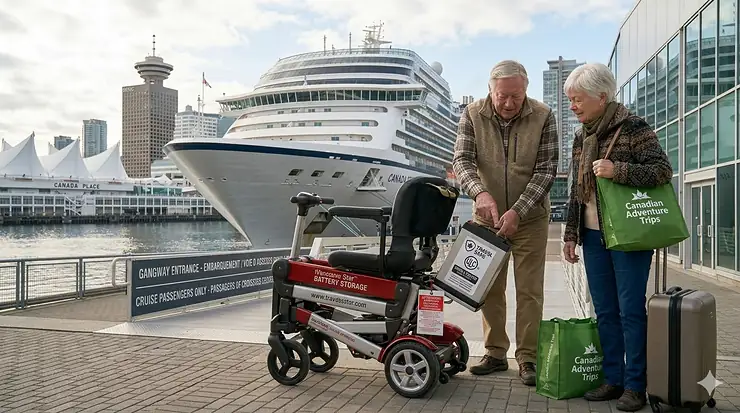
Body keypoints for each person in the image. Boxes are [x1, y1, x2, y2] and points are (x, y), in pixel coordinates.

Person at [561, 63, 673, 412]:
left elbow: (662, 171)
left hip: (629, 236)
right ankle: (613, 379)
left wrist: (617, 170)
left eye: (577, 100)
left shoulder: (634, 127)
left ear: (602, 97)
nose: (573, 106)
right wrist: (570, 235)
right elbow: (575, 190)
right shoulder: (582, 135)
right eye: (570, 100)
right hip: (593, 237)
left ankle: (636, 386)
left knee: (630, 312)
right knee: (605, 311)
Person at [452, 60, 558, 386]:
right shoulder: (471, 114)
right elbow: (462, 160)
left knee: (529, 291)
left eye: (517, 96)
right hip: (486, 218)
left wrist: (518, 211)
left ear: (526, 90)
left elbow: (546, 170)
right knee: (490, 289)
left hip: (531, 219)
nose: (510, 103)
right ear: (490, 90)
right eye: (503, 96)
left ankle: (528, 358)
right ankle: (496, 353)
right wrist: (480, 193)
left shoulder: (543, 115)